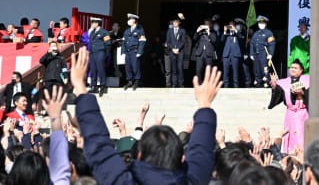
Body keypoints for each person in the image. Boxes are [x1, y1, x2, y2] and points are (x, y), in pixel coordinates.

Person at [71, 46, 221, 185]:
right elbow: (201, 150)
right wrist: (205, 103)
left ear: (140, 155)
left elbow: (99, 144)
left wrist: (79, 85)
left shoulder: (121, 181)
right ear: (182, 159)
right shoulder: (193, 180)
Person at [268, 59, 312, 154]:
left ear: (301, 70)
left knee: (302, 135)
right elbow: (278, 96)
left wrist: (302, 93)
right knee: (290, 135)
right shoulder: (284, 82)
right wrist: (275, 86)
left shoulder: (308, 80)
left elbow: (313, 95)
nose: (292, 69)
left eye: (295, 68)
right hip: (290, 113)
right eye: (291, 67)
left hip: (303, 113)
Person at [221, 19, 250, 88]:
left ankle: (236, 86)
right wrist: (225, 31)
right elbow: (222, 40)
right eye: (229, 25)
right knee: (226, 72)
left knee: (235, 71)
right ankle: (226, 86)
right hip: (226, 54)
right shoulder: (227, 34)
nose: (230, 27)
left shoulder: (239, 33)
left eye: (232, 25)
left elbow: (242, 38)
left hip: (235, 54)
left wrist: (236, 30)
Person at [250, 15, 275, 87]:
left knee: (264, 67)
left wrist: (270, 54)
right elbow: (252, 43)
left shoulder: (269, 33)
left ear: (265, 24)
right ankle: (257, 80)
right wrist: (251, 53)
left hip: (264, 53)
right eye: (260, 23)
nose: (261, 25)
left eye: (263, 23)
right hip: (256, 53)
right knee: (256, 67)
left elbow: (272, 44)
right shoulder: (256, 33)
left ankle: (266, 81)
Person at [88, 17, 111, 97]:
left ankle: (103, 86)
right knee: (93, 69)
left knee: (101, 69)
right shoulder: (92, 32)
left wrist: (105, 54)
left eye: (93, 23)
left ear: (97, 23)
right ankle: (93, 86)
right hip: (93, 53)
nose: (91, 24)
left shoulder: (104, 32)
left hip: (100, 52)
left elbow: (108, 44)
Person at [123, 13, 146, 90]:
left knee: (135, 66)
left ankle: (136, 81)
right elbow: (123, 42)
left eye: (130, 19)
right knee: (128, 67)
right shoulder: (127, 31)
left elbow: (142, 41)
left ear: (134, 20)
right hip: (127, 51)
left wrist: (139, 52)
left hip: (134, 51)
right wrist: (123, 52)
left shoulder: (139, 29)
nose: (129, 21)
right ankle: (129, 81)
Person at [165, 14, 186, 88]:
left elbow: (183, 41)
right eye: (174, 22)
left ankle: (181, 83)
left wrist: (178, 49)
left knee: (180, 67)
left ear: (179, 23)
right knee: (173, 68)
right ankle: (174, 83)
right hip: (172, 51)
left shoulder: (182, 30)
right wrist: (172, 49)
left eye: (176, 22)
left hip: (180, 52)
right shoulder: (169, 31)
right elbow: (168, 41)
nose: (175, 23)